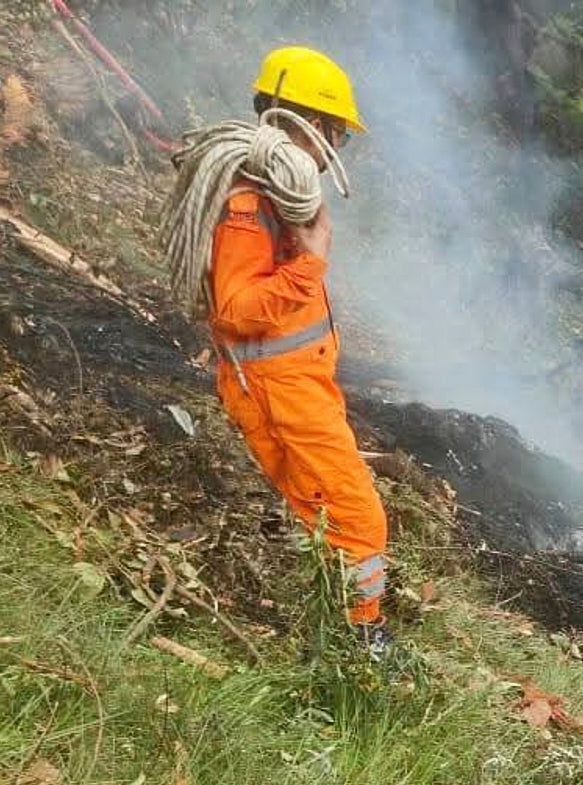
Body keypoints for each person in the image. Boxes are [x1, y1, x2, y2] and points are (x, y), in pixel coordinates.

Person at [184, 47, 391, 655]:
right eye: (337, 136)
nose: (335, 153)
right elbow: (236, 312)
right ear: (310, 125)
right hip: (279, 390)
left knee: (320, 511)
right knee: (358, 518)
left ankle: (335, 631)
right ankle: (359, 645)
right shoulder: (249, 208)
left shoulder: (278, 198)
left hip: (297, 382)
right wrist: (312, 259)